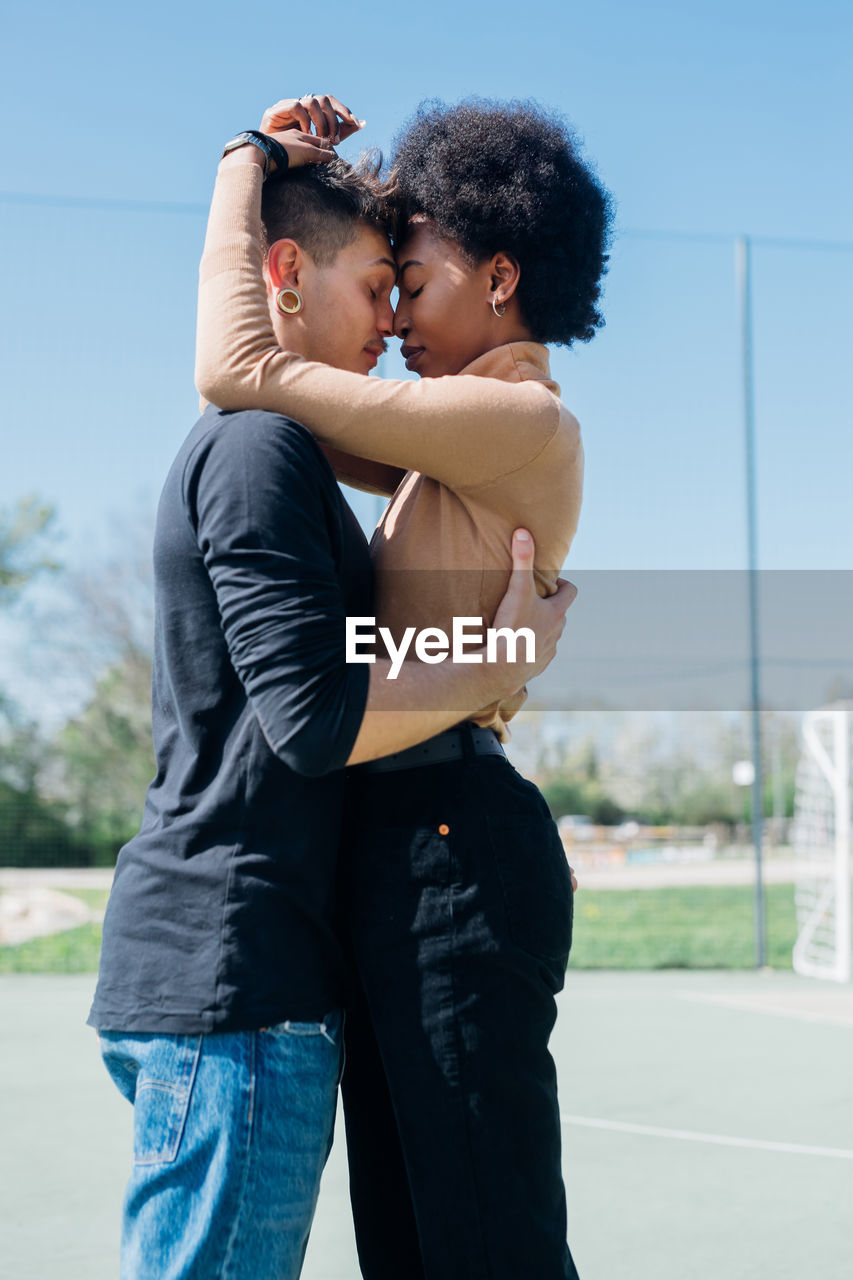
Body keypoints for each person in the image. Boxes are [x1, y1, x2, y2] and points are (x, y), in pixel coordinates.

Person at [88, 121, 574, 1280]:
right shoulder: (372, 448)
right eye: (380, 286)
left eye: (407, 283)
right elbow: (251, 380)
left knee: (479, 1242)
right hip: (376, 853)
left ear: (498, 278)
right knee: (414, 1242)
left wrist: (242, 171)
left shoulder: (513, 420)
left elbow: (247, 372)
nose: (396, 317)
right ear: (293, 278)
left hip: (451, 833)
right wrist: (497, 656)